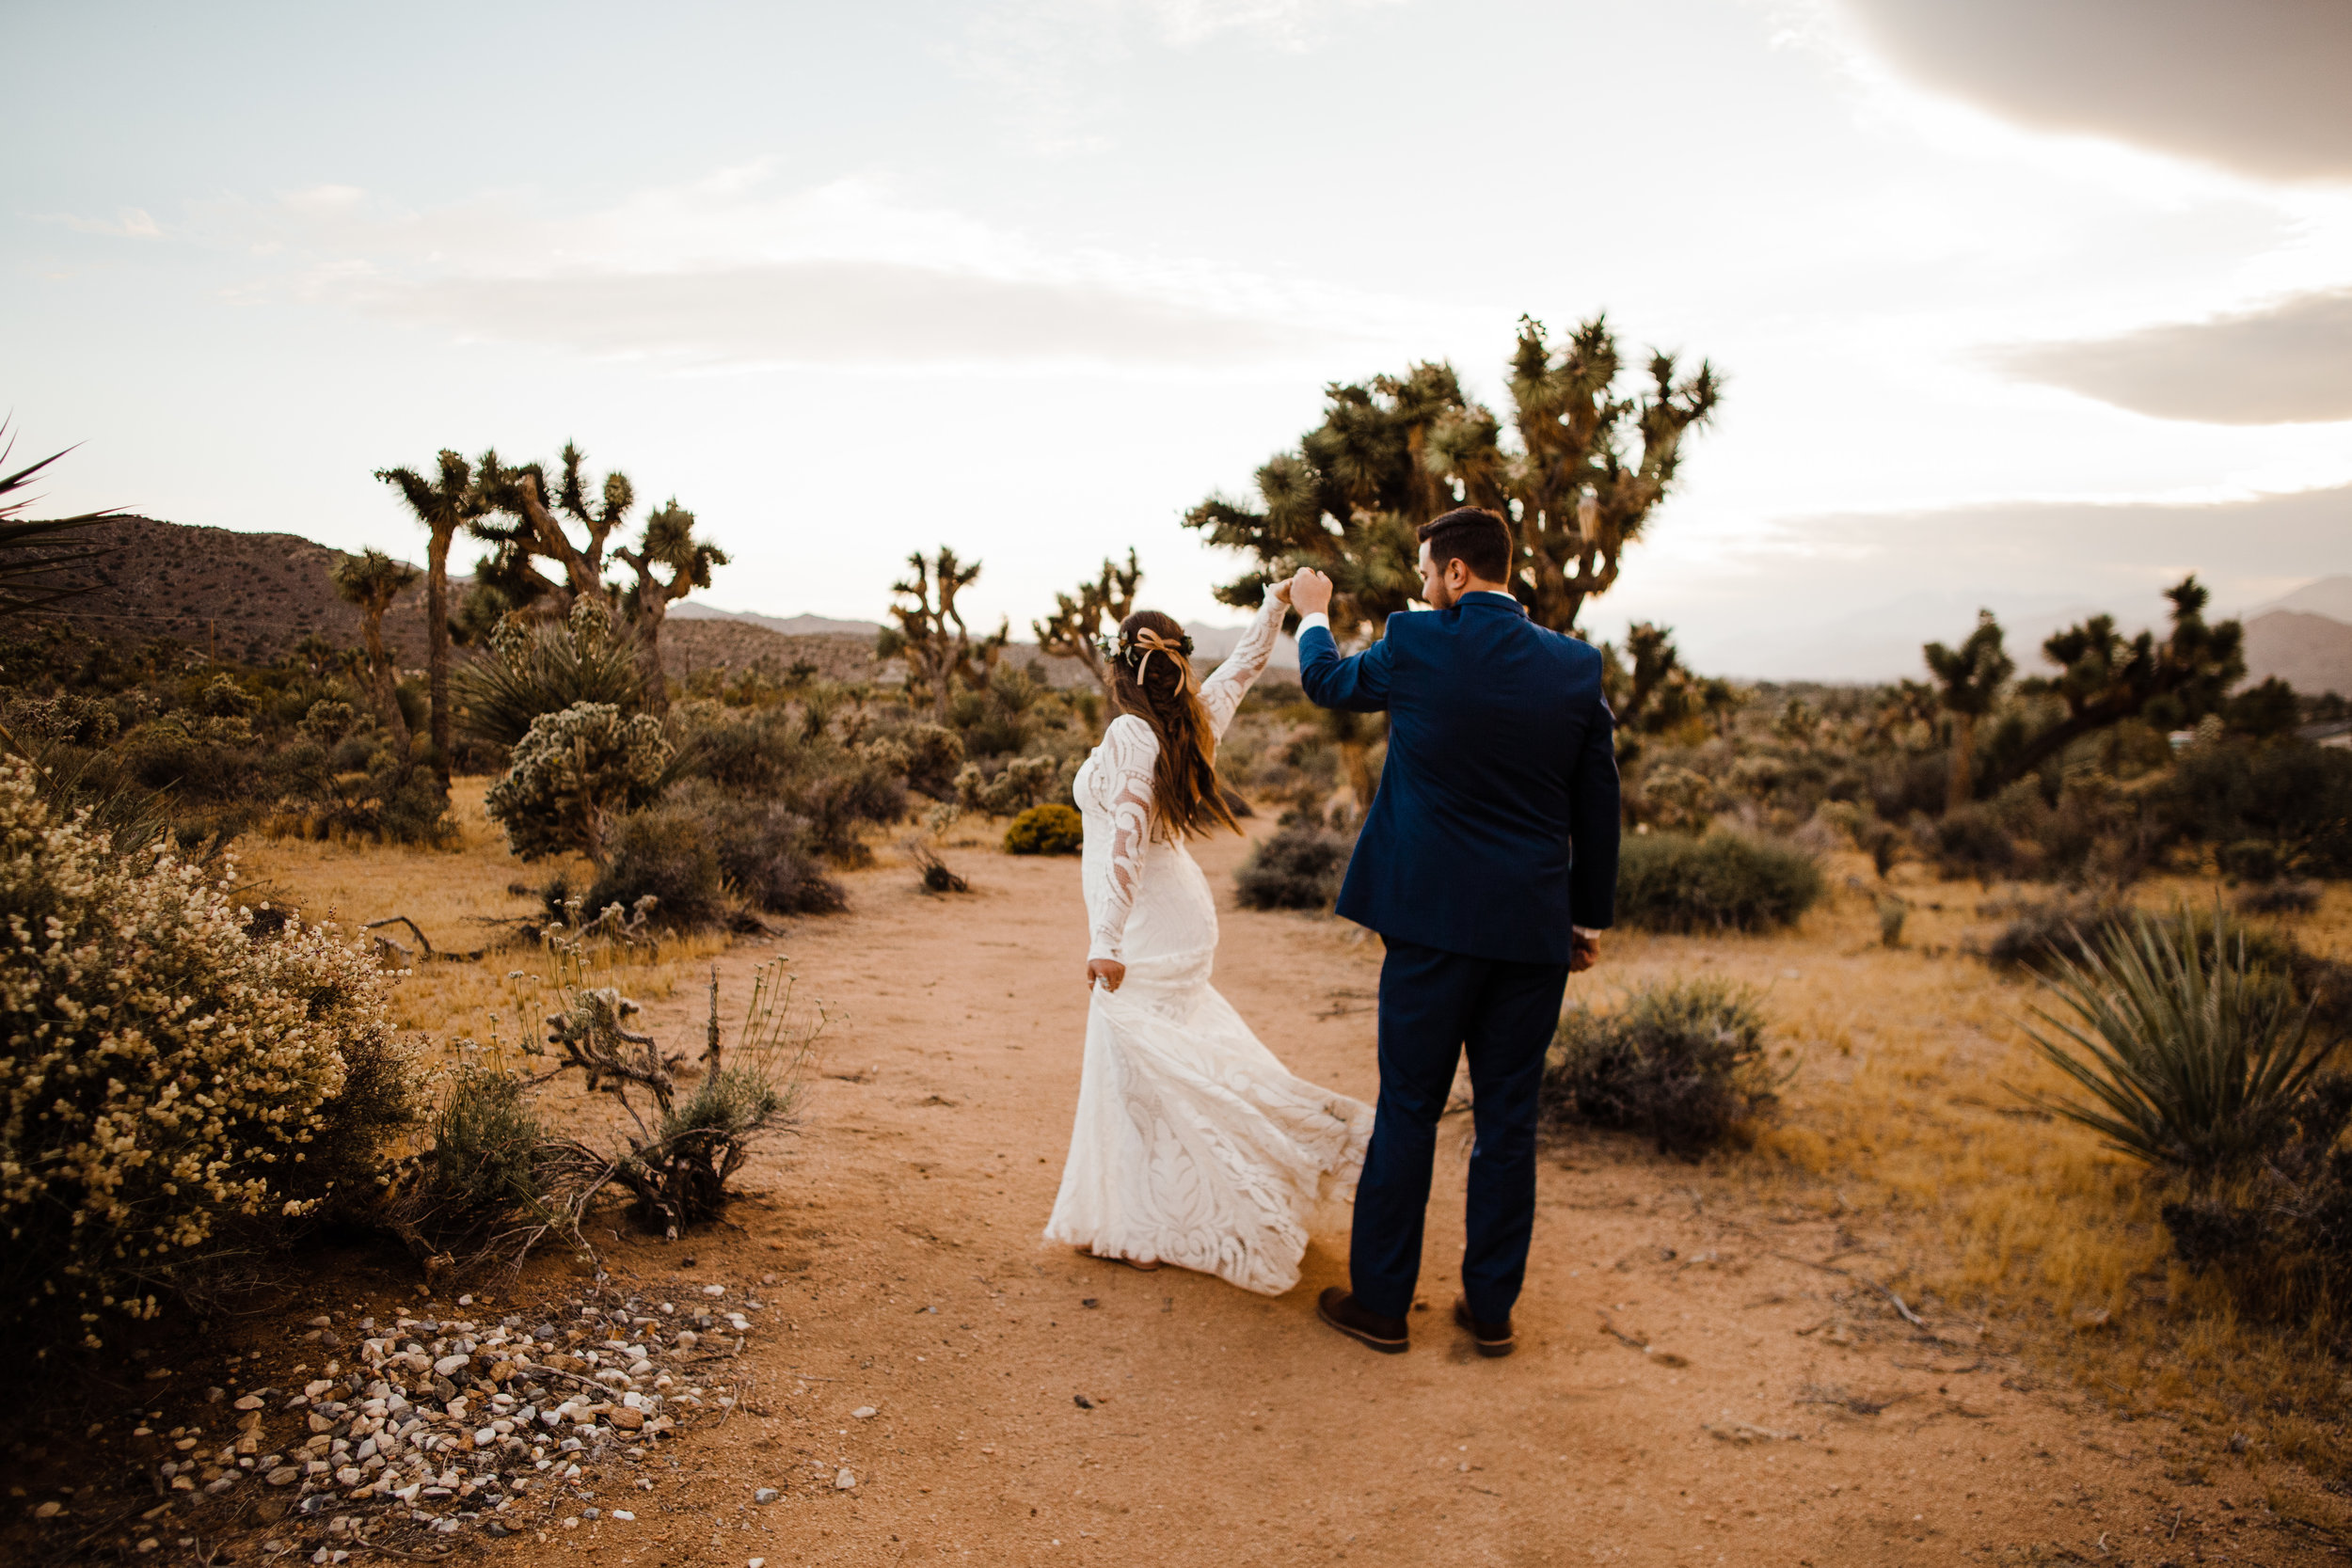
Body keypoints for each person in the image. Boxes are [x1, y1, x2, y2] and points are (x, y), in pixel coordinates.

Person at [1293, 506, 1620, 1358]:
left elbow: (1329, 684)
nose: (1420, 582)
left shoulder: (1417, 642)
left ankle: (1383, 1305)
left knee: (1409, 1109)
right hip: (1530, 934)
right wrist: (1583, 917)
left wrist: (1315, 614)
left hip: (1430, 929)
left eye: (1426, 568)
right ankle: (1492, 1310)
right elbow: (1599, 804)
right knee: (1510, 1120)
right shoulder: (1575, 667)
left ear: (1458, 574)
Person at [1043, 586, 1375, 1295]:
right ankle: (1182, 1202)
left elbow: (1126, 837)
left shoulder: (1133, 734)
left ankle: (1146, 1226)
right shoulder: (1194, 722)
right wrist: (1275, 606)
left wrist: (1106, 939)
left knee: (1138, 1075)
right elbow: (1245, 669)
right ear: (1176, 670)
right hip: (1178, 914)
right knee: (1172, 1068)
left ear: (1120, 672)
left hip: (1146, 926)